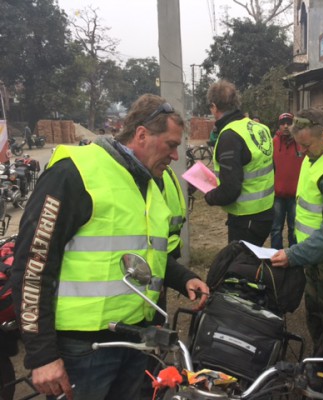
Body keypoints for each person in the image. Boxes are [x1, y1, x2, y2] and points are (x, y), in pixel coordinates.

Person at [11, 94, 209, 400]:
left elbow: (143, 253)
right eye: (170, 145)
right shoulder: (75, 174)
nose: (174, 155)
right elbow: (32, 265)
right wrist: (41, 355)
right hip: (83, 349)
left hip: (135, 341)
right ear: (141, 135)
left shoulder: (147, 181)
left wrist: (183, 278)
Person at [270, 108, 323, 351]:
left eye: (305, 145)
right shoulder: (316, 155)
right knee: (316, 317)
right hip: (315, 257)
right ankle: (320, 359)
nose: (301, 151)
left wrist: (293, 255)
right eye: (298, 145)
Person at [204, 80, 274, 246]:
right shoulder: (260, 128)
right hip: (266, 212)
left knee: (238, 262)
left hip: (245, 219)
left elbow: (230, 190)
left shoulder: (229, 135)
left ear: (214, 107)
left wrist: (210, 196)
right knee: (253, 260)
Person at [270, 112, 303, 249]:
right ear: (279, 125)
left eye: (289, 123)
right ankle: (275, 255)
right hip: (278, 195)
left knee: (294, 228)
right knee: (276, 228)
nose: (285, 126)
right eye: (282, 123)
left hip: (295, 195)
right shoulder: (273, 143)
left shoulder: (301, 143)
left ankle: (293, 256)